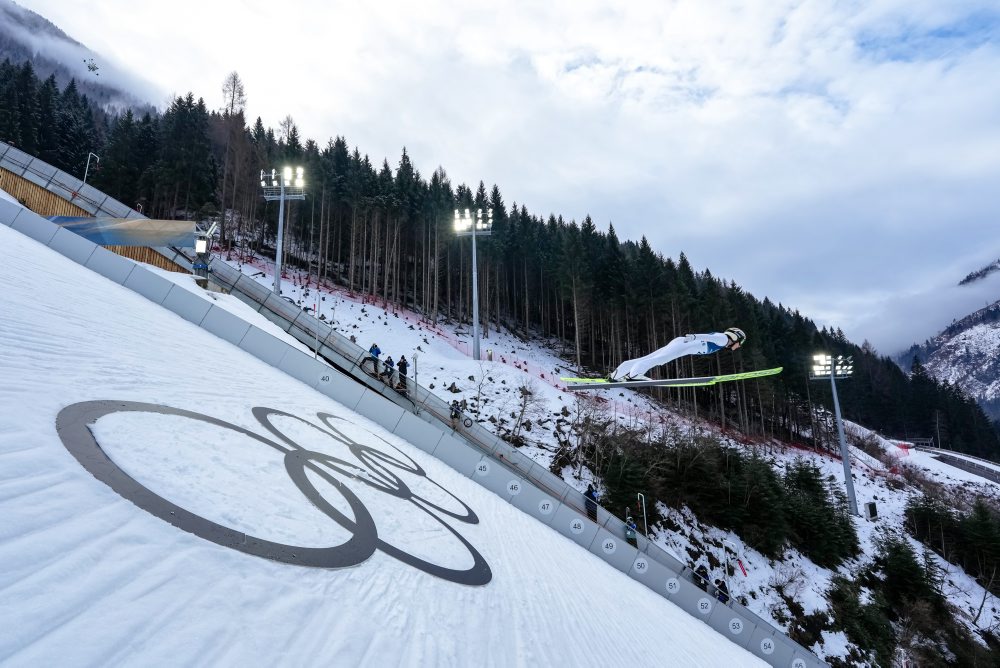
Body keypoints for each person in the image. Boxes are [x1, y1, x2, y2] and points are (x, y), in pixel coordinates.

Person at [610, 327, 746, 381]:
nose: (738, 346)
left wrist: (694, 337)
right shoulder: (723, 339)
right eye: (739, 343)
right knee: (660, 359)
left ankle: (616, 374)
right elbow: (710, 337)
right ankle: (635, 375)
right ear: (735, 337)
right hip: (685, 344)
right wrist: (694, 336)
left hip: (682, 343)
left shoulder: (722, 340)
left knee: (651, 357)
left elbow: (710, 337)